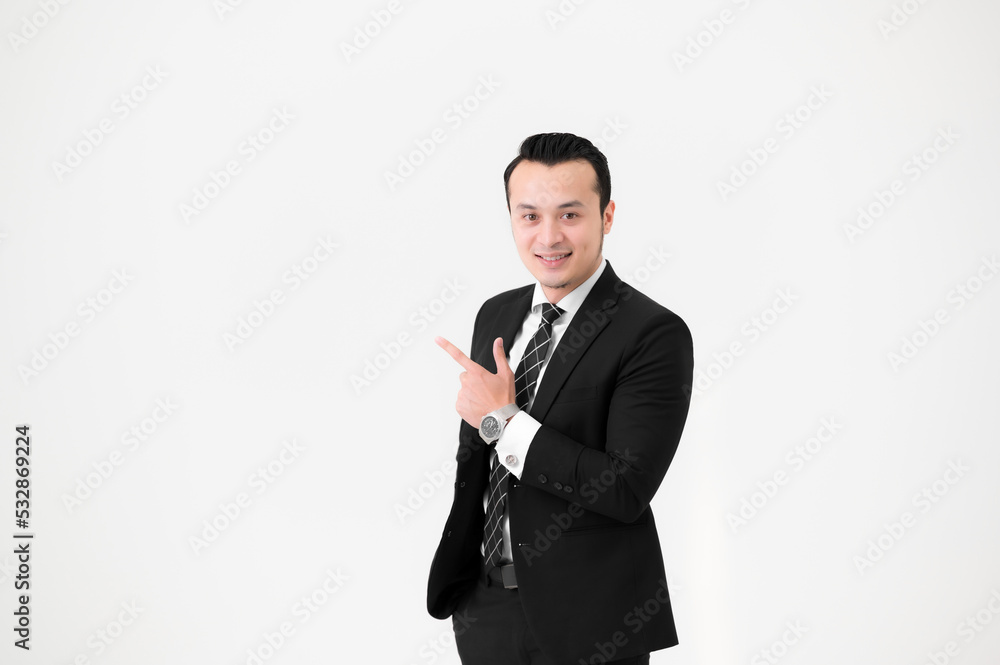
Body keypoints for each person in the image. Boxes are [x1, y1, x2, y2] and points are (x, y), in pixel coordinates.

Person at [427, 132, 693, 664]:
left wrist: (503, 420)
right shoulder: (496, 314)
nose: (548, 237)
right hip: (485, 607)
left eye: (570, 214)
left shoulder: (652, 333)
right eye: (529, 216)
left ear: (607, 216)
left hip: (591, 620)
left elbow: (625, 488)